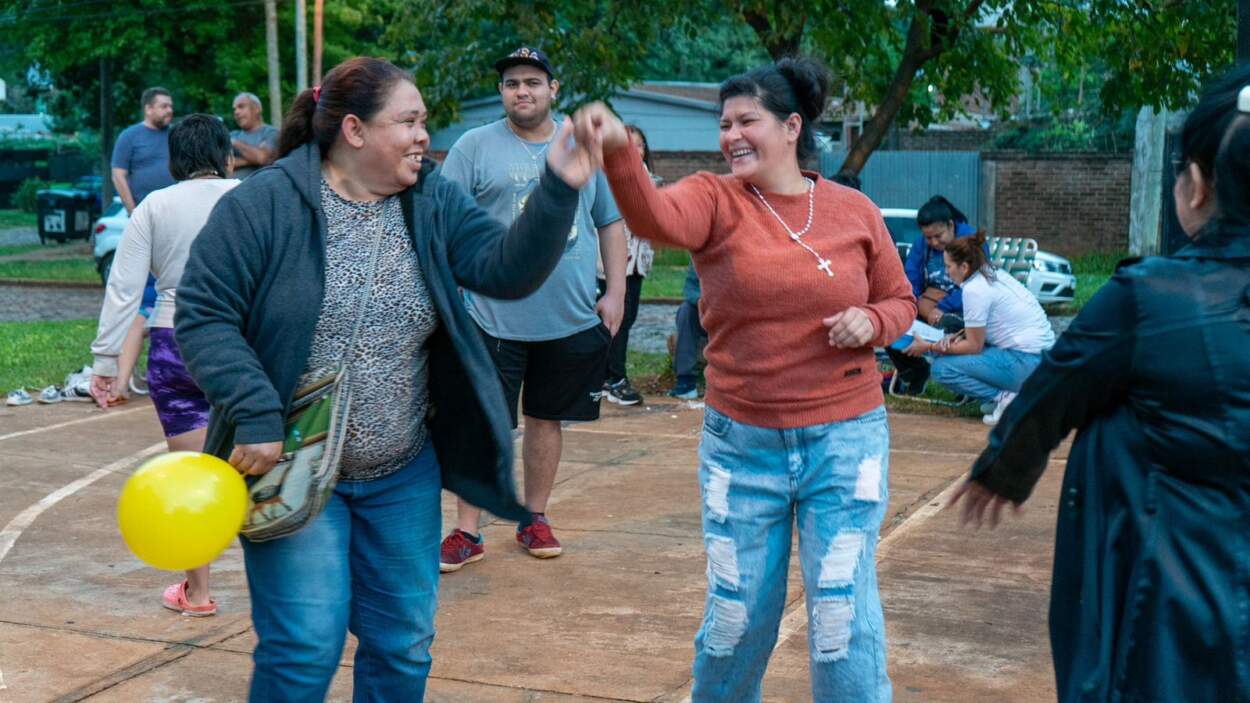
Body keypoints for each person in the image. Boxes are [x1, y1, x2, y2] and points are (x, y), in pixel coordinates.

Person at [174, 56, 597, 700]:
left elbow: (505, 267)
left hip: (400, 470)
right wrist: (255, 411)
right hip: (292, 469)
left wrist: (560, 186)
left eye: (423, 122)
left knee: (402, 643)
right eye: (409, 121)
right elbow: (204, 313)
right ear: (354, 130)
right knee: (303, 648)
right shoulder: (265, 204)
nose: (424, 136)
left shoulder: (430, 197)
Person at [575, 56, 914, 701]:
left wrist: (871, 321)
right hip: (742, 445)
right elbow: (653, 219)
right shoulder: (714, 197)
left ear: (791, 127)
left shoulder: (854, 210)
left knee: (840, 618)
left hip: (846, 441)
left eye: (746, 121)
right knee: (737, 619)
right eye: (724, 124)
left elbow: (900, 300)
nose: (731, 135)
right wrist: (618, 148)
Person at [949, 65, 1250, 703]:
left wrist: (1002, 470)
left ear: (1197, 186)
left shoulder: (1151, 299)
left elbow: (1057, 386)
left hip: (1177, 614)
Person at [437, 46, 626, 573]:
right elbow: (443, 223)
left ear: (553, 89)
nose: (522, 91)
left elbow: (609, 222)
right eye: (512, 83)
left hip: (566, 315)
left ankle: (534, 518)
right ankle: (467, 530)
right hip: (490, 314)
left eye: (532, 82)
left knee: (546, 420)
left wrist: (615, 292)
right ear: (502, 92)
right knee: (484, 423)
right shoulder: (474, 146)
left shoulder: (580, 145)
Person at [89, 114, 240, 617]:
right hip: (241, 346)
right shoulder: (251, 199)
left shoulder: (154, 205)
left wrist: (106, 360)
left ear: (174, 162)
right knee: (267, 465)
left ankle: (198, 593)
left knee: (192, 478)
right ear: (227, 156)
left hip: (175, 343)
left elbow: (124, 289)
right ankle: (286, 589)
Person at [918, 231, 1054, 425]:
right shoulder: (994, 273)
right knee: (948, 355)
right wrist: (958, 336)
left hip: (1027, 363)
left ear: (964, 267)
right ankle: (1005, 398)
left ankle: (1007, 400)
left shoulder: (975, 289)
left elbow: (974, 346)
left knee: (941, 368)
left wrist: (930, 347)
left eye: (948, 266)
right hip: (1042, 361)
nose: (946, 272)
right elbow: (990, 327)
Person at [109, 86, 176, 403]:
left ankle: (150, 371)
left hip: (172, 224)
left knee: (162, 295)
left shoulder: (174, 137)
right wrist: (134, 211)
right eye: (163, 106)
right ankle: (125, 374)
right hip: (144, 223)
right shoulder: (130, 137)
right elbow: (118, 175)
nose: (169, 110)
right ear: (148, 108)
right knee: (144, 297)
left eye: (170, 105)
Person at [886, 196, 980, 395]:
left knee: (948, 323)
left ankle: (965, 384)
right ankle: (915, 371)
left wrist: (942, 306)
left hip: (961, 309)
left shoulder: (970, 241)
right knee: (890, 323)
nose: (934, 242)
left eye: (939, 236)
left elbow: (976, 284)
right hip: (928, 307)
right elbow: (911, 278)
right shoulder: (921, 245)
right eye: (929, 238)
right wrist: (912, 304)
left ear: (951, 225)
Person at [597, 123, 656, 406]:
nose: (634, 150)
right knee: (614, 319)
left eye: (639, 145)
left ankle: (606, 376)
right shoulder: (607, 177)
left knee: (627, 318)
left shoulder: (646, 178)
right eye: (626, 145)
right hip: (611, 261)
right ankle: (615, 379)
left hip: (636, 261)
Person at [668, 263, 705, 400]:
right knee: (686, 311)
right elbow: (690, 290)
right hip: (706, 311)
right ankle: (686, 383)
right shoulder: (700, 258)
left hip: (732, 316)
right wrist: (702, 302)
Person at [230, 92, 279, 178]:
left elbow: (262, 158)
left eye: (241, 106)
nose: (236, 112)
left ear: (257, 109)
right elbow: (222, 164)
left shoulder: (271, 133)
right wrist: (254, 158)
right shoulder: (232, 134)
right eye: (235, 109)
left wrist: (234, 143)